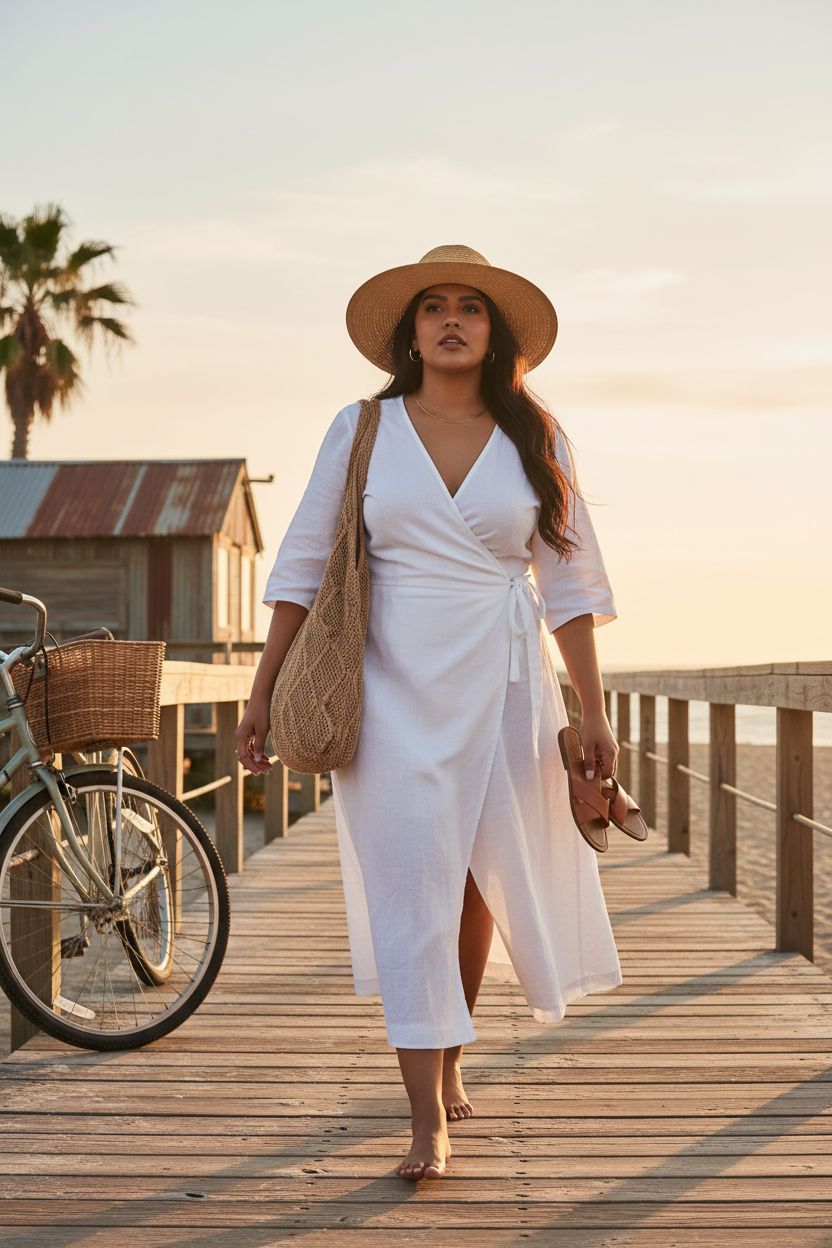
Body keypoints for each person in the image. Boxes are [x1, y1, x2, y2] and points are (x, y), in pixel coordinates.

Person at [236, 244, 622, 1182]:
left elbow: (567, 585)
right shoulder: (362, 427)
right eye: (433, 307)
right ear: (410, 333)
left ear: (496, 334)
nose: (451, 320)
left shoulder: (537, 435)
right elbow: (299, 566)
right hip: (389, 683)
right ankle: (425, 1120)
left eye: (471, 308)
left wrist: (594, 712)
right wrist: (262, 690)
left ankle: (450, 1056)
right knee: (414, 886)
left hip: (505, 684)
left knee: (475, 884)